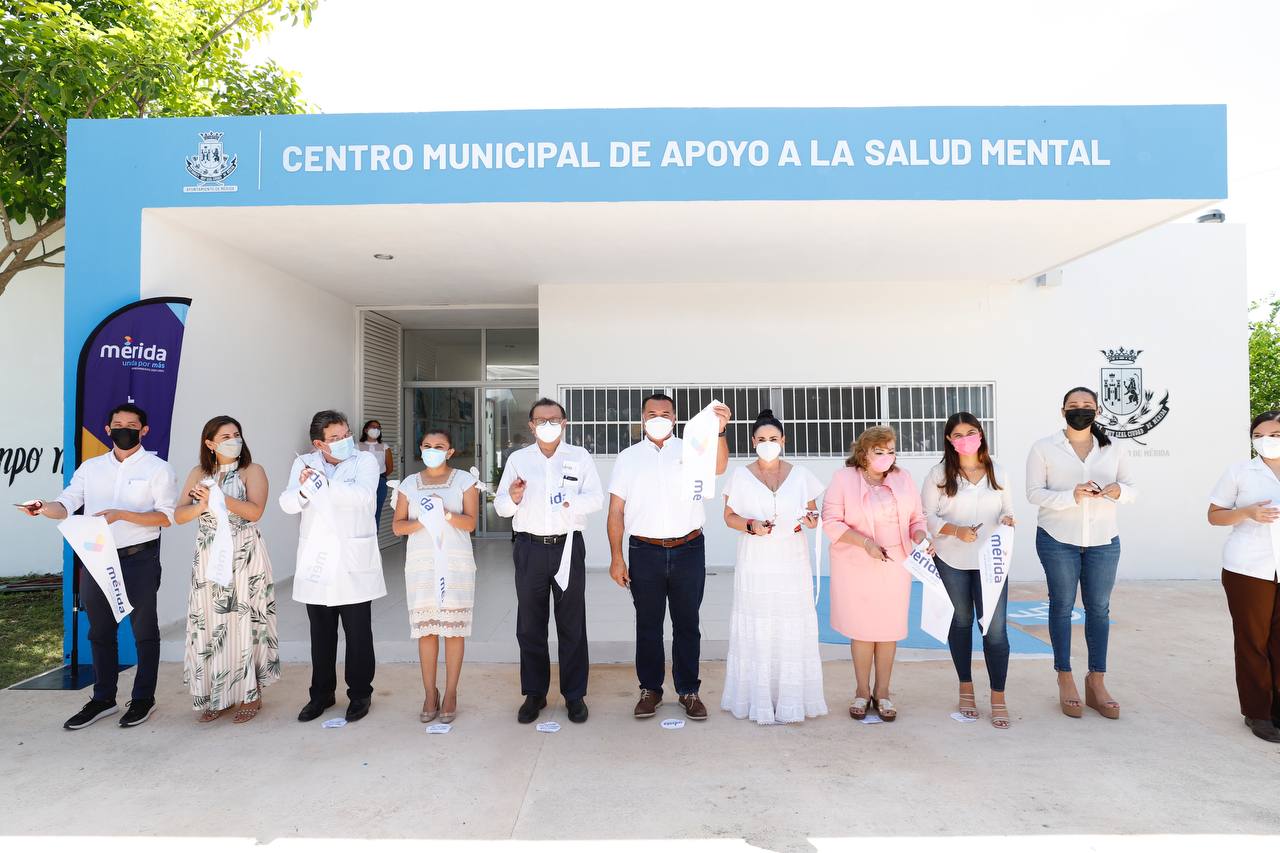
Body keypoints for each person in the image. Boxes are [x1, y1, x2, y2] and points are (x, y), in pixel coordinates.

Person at [20, 403, 178, 730]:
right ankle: (103, 698)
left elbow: (166, 517)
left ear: (143, 431)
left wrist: (121, 514)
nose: (124, 429)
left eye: (132, 425)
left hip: (139, 558)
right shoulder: (90, 468)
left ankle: (143, 699)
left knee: (143, 631)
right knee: (100, 631)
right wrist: (42, 507)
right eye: (117, 424)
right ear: (107, 429)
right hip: (97, 559)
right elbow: (65, 505)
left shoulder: (157, 468)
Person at [608, 393, 732, 720]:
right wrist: (616, 558)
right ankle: (650, 690)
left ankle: (688, 691)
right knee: (648, 624)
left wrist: (719, 431)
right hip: (644, 550)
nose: (659, 417)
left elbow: (719, 467)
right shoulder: (628, 457)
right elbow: (616, 511)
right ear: (642, 419)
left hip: (689, 548)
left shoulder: (691, 448)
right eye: (652, 413)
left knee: (687, 623)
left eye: (665, 412)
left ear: (675, 418)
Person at [1026, 387, 1136, 720]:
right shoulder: (1044, 448)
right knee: (1061, 606)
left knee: (1099, 610)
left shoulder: (1114, 448)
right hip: (1057, 537)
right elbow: (1033, 494)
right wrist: (1071, 495)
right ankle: (1065, 678)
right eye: (1074, 406)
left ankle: (1097, 681)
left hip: (1104, 539)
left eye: (1087, 405)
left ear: (1098, 411)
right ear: (1063, 412)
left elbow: (1132, 489)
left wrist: (1120, 491)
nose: (1080, 410)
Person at [495, 398, 603, 724]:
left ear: (564, 422)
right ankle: (535, 693)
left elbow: (596, 498)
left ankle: (574, 695)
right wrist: (512, 498)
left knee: (571, 623)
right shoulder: (518, 460)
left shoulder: (579, 457)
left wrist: (571, 502)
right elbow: (500, 506)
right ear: (531, 425)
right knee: (530, 624)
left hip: (567, 546)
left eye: (553, 419)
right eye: (541, 420)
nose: (547, 424)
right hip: (529, 548)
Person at [721, 409, 828, 724]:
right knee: (759, 621)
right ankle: (759, 697)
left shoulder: (801, 474)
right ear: (753, 441)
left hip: (792, 559)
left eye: (774, 439)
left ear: (783, 440)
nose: (768, 443)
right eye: (762, 439)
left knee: (790, 621)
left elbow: (812, 513)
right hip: (756, 560)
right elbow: (729, 517)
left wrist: (811, 520)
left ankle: (791, 697)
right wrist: (751, 525)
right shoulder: (740, 475)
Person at [279, 410, 385, 723]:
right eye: (334, 438)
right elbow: (287, 504)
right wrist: (302, 490)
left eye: (345, 435)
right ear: (318, 444)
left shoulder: (363, 460)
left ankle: (360, 694)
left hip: (353, 561)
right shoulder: (304, 463)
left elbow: (364, 497)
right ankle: (321, 694)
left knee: (358, 633)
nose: (343, 442)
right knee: (321, 634)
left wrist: (324, 484)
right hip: (318, 562)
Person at [173, 416, 280, 723]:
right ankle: (217, 694)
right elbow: (179, 515)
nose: (234, 439)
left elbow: (255, 510)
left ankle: (251, 693)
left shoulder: (252, 470)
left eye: (237, 434)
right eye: (226, 436)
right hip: (208, 555)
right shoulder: (199, 473)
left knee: (244, 620)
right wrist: (201, 505)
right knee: (212, 622)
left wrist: (219, 498)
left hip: (243, 554)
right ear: (210, 443)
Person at [822, 425, 928, 722]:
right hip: (857, 560)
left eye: (891, 451)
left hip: (895, 563)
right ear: (864, 452)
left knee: (888, 629)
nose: (886, 457)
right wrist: (865, 543)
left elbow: (917, 519)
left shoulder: (902, 478)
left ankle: (883, 692)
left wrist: (920, 537)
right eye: (879, 451)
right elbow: (831, 521)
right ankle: (861, 690)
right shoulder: (844, 478)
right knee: (862, 629)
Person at [921, 412, 1015, 729]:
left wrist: (1007, 521)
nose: (965, 439)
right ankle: (965, 687)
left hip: (991, 563)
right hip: (951, 560)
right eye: (958, 435)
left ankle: (998, 696)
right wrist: (954, 530)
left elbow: (1007, 510)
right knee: (961, 623)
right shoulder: (938, 474)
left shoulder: (997, 472)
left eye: (971, 432)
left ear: (981, 435)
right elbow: (925, 517)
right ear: (949, 440)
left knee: (996, 630)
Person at [392, 428, 479, 724]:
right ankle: (430, 693)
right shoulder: (409, 484)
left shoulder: (464, 481)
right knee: (426, 629)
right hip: (421, 563)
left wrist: (444, 514)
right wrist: (423, 521)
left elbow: (470, 523)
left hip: (455, 563)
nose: (433, 449)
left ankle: (452, 692)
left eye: (439, 445)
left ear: (450, 451)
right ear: (421, 449)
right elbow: (398, 526)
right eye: (427, 445)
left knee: (453, 629)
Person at [1206, 410, 1280, 743]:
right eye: (1259, 435)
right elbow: (1214, 516)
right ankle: (1258, 712)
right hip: (1248, 569)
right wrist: (1247, 512)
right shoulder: (1240, 472)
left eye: (1275, 435)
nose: (1266, 441)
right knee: (1253, 641)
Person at [358, 419, 394, 525]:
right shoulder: (357, 446)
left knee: (376, 513)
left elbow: (390, 467)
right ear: (366, 430)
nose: (376, 429)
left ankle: (375, 538)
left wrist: (378, 477)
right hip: (361, 483)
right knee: (362, 511)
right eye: (373, 427)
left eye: (378, 427)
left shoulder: (384, 446)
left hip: (380, 482)